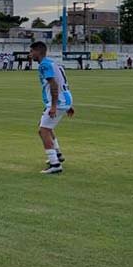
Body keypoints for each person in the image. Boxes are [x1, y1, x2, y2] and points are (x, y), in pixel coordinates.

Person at [29, 41, 75, 174]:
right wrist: (68, 105)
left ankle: (55, 164)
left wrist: (54, 106)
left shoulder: (44, 65)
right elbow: (62, 81)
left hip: (57, 101)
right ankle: (58, 154)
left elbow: (54, 84)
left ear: (38, 51)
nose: (30, 54)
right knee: (45, 128)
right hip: (64, 98)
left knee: (43, 130)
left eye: (31, 51)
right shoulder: (53, 63)